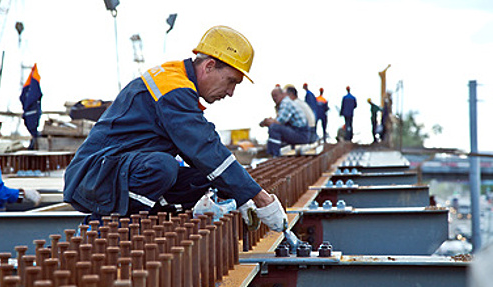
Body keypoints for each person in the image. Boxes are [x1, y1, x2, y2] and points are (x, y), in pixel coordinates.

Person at [63, 25, 287, 232]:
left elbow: (204, 153)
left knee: (206, 178)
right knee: (162, 166)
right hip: (95, 175)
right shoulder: (172, 88)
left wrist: (240, 196)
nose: (230, 92)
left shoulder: (179, 85)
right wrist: (260, 198)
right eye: (230, 81)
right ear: (209, 66)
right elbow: (204, 147)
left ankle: (149, 224)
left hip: (117, 171)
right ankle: (108, 230)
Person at [260, 86, 310, 157]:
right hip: (302, 133)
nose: (274, 98)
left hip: (301, 134)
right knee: (275, 127)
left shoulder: (285, 102)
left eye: (275, 96)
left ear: (282, 94)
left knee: (274, 127)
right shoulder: (286, 102)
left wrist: (267, 122)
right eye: (272, 97)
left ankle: (275, 155)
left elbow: (279, 121)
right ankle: (275, 152)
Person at [20, 64, 42, 150]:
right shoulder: (32, 86)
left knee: (33, 131)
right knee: (33, 131)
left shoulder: (32, 87)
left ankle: (34, 143)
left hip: (31, 113)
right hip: (31, 113)